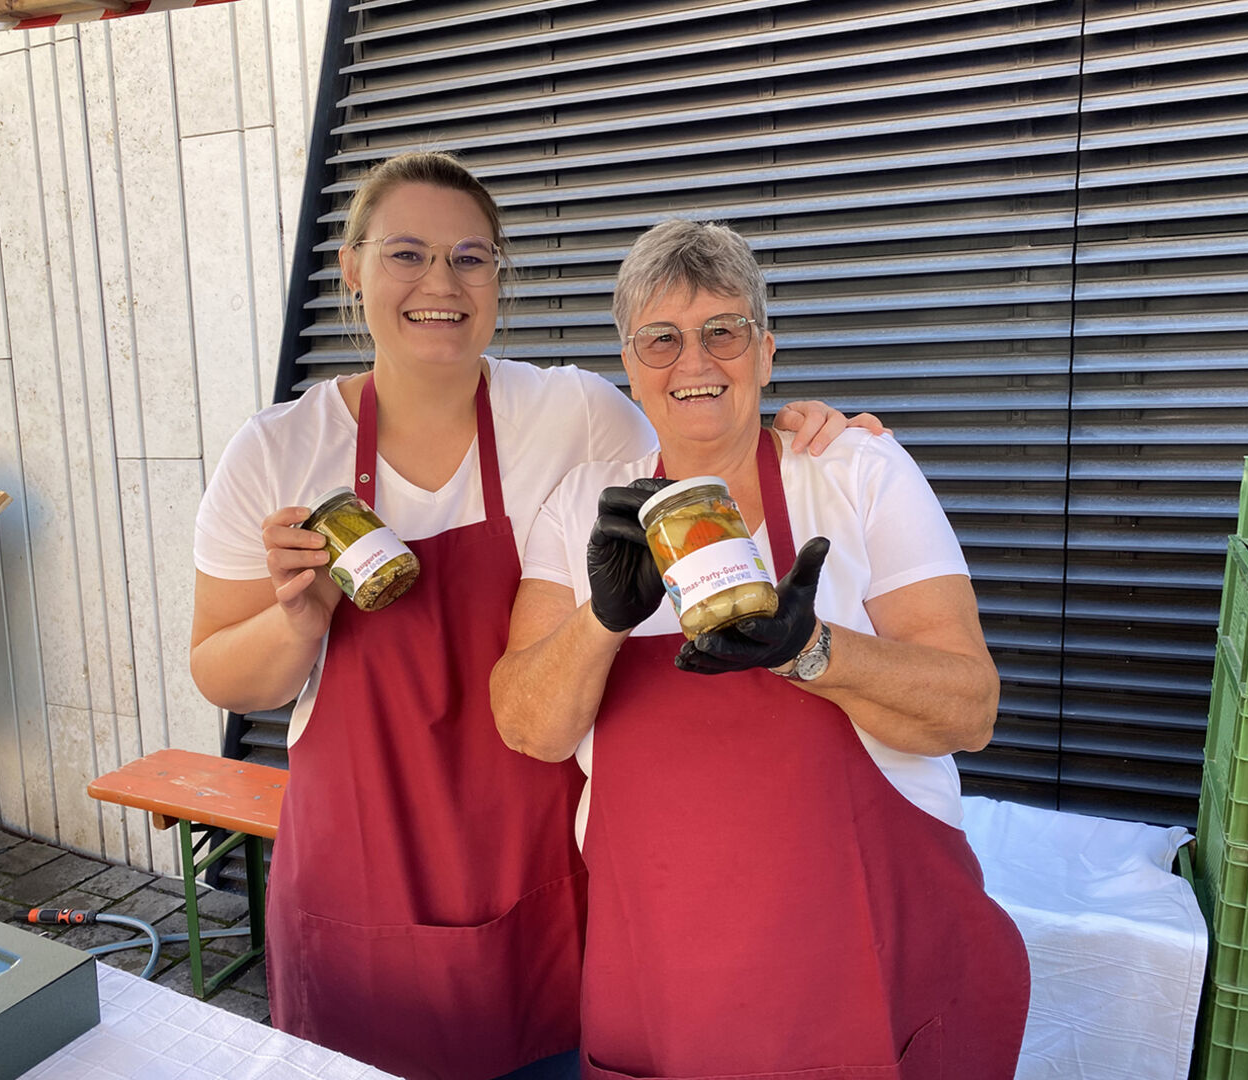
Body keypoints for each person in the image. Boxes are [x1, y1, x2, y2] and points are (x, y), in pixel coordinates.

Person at [189, 153, 879, 1080]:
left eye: (471, 258)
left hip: (540, 871)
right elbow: (221, 674)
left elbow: (701, 432)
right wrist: (298, 619)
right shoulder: (276, 450)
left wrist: (808, 434)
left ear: (499, 277)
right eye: (407, 254)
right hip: (358, 872)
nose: (441, 284)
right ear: (351, 268)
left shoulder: (573, 413)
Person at [491, 219, 1031, 1080]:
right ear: (628, 365)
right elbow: (529, 727)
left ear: (767, 352)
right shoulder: (583, 514)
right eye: (660, 339)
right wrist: (602, 618)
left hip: (867, 963)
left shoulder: (857, 474)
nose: (695, 364)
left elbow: (971, 709)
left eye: (723, 332)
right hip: (663, 976)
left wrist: (812, 650)